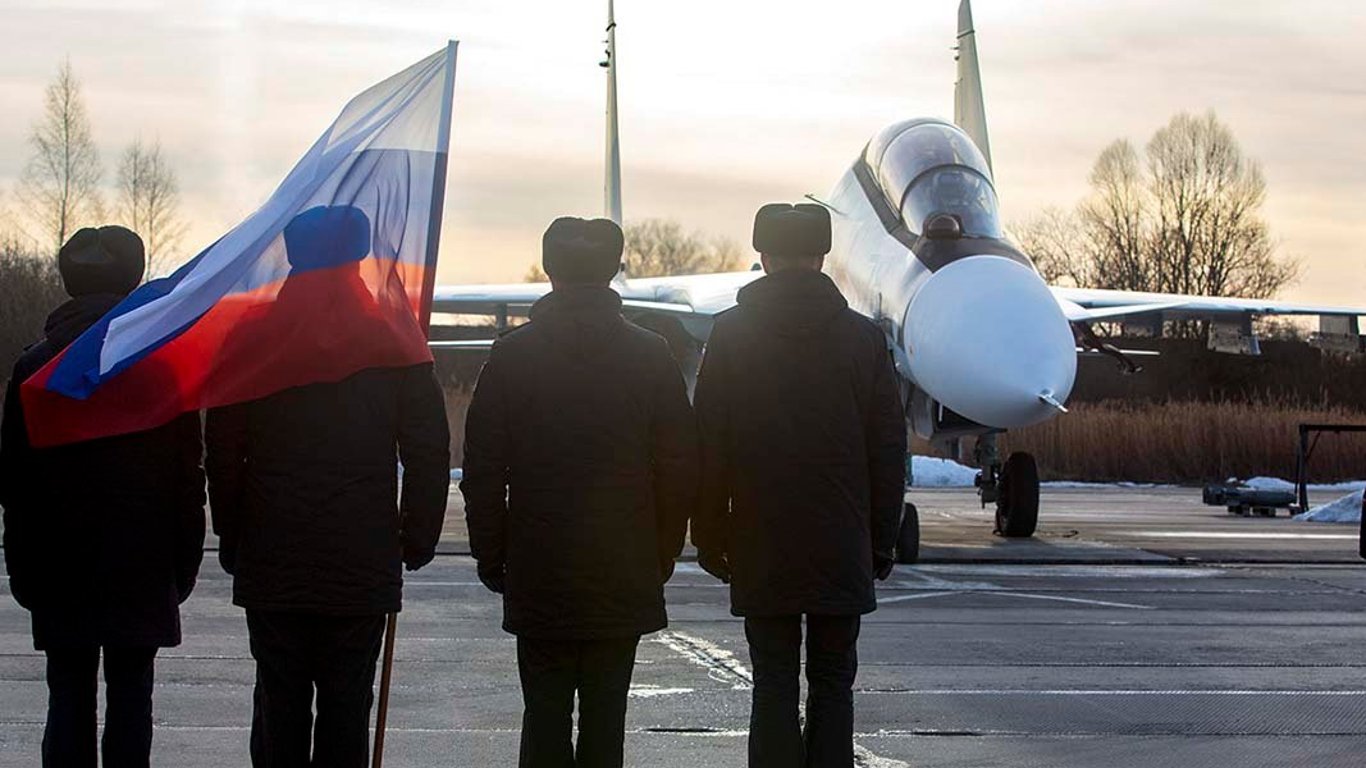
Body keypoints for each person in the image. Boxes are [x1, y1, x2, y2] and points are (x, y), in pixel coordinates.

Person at [204, 206, 451, 768]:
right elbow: (428, 449)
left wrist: (233, 535)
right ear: (359, 255)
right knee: (347, 707)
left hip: (273, 549)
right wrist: (417, 535)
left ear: (295, 254)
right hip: (362, 552)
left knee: (279, 702)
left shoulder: (252, 335)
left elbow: (223, 449)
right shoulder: (393, 338)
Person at [461, 216, 697, 768]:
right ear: (614, 269)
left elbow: (484, 467)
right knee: (605, 721)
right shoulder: (651, 354)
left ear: (550, 270)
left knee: (544, 716)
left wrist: (491, 552)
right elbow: (679, 464)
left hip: (539, 564)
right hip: (623, 565)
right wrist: (661, 549)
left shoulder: (512, 355)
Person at [692, 203, 906, 768]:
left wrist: (710, 536)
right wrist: (881, 539)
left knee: (773, 682)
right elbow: (887, 450)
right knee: (834, 682)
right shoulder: (863, 340)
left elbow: (710, 445)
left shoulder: (730, 335)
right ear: (821, 258)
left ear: (763, 257)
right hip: (841, 538)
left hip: (760, 539)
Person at [0, 226, 206, 768]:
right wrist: (182, 565)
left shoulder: (34, 368)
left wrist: (22, 567)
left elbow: (15, 482)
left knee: (67, 695)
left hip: (58, 562)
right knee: (132, 696)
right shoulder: (161, 365)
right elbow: (188, 478)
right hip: (143, 561)